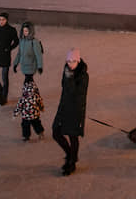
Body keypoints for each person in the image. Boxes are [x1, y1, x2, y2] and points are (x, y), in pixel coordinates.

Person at [53, 48, 89, 176]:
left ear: (78, 61)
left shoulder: (83, 75)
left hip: (75, 110)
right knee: (56, 132)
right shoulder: (67, 71)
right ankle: (70, 155)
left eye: (73, 61)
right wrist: (68, 78)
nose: (70, 64)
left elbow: (77, 94)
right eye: (68, 61)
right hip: (63, 107)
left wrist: (70, 79)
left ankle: (72, 162)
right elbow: (64, 88)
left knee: (73, 136)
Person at [0, 12, 19, 105]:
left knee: (4, 78)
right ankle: (2, 91)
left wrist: (9, 48)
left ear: (6, 20)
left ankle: (4, 97)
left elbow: (16, 41)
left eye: (3, 20)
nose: (1, 21)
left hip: (5, 56)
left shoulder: (11, 30)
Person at [14, 76, 45, 141]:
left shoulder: (23, 98)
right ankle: (40, 133)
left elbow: (19, 106)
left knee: (25, 126)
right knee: (37, 124)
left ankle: (26, 136)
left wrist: (15, 114)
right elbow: (40, 103)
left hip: (26, 115)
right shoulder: (36, 96)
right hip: (34, 114)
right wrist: (41, 108)